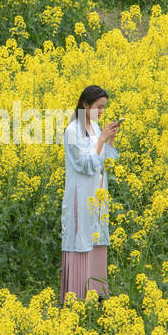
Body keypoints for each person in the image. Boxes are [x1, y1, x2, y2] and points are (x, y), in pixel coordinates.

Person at [60, 85, 120, 305]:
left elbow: (107, 161)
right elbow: (85, 165)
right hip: (81, 196)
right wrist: (102, 140)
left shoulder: (95, 127)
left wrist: (110, 139)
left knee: (96, 239)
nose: (102, 112)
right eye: (98, 107)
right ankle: (75, 298)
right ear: (85, 105)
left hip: (97, 196)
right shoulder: (73, 130)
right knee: (80, 239)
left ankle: (97, 295)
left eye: (104, 107)